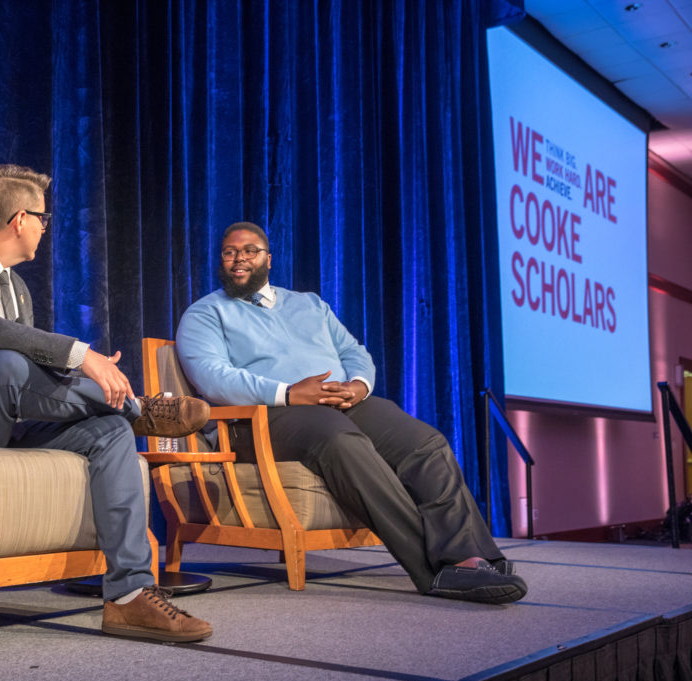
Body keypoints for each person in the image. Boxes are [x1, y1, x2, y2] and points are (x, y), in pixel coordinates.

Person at [0, 163, 213, 641]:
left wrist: (74, 373)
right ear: (20, 219)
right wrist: (82, 356)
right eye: (43, 218)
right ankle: (138, 408)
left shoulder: (17, 288)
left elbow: (35, 378)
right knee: (7, 364)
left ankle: (128, 596)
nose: (45, 227)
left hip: (4, 420)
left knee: (110, 433)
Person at [175, 221, 527, 604]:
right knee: (342, 440)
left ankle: (468, 557)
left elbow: (353, 352)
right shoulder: (206, 313)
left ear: (268, 259)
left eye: (249, 250)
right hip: (263, 416)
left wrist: (358, 385)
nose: (238, 258)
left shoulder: (308, 303)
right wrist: (291, 393)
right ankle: (433, 571)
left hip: (337, 403)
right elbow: (213, 378)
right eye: (229, 252)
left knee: (425, 443)